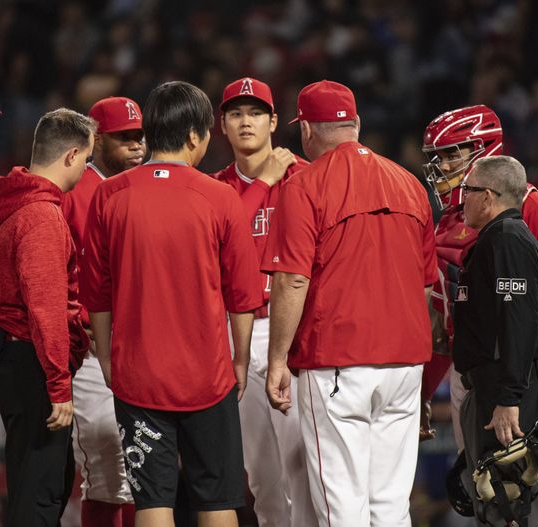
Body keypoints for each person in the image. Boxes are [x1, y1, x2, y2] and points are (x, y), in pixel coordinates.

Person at [80, 81, 263, 527]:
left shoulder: (109, 195)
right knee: (218, 501)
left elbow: (97, 294)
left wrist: (106, 358)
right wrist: (239, 361)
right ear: (196, 136)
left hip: (138, 375)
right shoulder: (220, 196)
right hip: (208, 374)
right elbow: (242, 297)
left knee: (152, 502)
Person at [262, 80, 438, 527]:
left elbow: (292, 282)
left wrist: (278, 358)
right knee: (391, 507)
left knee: (343, 508)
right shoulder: (410, 183)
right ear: (355, 124)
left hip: (338, 362)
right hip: (405, 365)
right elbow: (426, 287)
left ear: (305, 132)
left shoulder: (305, 185)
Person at [418, 105, 538, 446]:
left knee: (520, 482)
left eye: (452, 153)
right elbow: (444, 317)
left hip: (521, 366)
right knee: (475, 485)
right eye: (439, 156)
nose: (444, 166)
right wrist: (423, 391)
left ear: (486, 151)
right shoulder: (449, 221)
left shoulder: (534, 209)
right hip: (468, 371)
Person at [0, 108, 94, 526]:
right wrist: (59, 385)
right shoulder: (41, 214)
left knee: (39, 476)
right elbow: (45, 307)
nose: (84, 169)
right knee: (42, 488)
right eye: (85, 159)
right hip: (30, 358)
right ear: (72, 155)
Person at [211, 77, 315, 527]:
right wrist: (264, 181)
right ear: (222, 126)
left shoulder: (306, 177)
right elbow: (214, 246)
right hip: (239, 334)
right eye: (236, 113)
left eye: (255, 112)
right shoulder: (214, 189)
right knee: (263, 480)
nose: (246, 121)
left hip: (293, 330)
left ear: (274, 121)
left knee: (303, 469)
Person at [452, 155, 538, 525]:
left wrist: (509, 398)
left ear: (488, 196)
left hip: (514, 393)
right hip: (500, 389)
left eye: (467, 191)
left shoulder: (507, 241)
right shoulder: (498, 240)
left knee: (516, 504)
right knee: (499, 502)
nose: (461, 199)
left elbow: (519, 322)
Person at [61, 96, 145, 527]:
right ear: (96, 139)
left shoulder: (143, 187)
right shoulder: (75, 191)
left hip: (140, 347)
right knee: (107, 473)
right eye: (123, 138)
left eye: (139, 137)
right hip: (94, 352)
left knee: (142, 472)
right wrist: (79, 323)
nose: (135, 146)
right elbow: (60, 271)